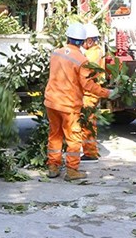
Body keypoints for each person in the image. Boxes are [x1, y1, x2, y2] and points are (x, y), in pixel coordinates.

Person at [43, 22, 112, 181]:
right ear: (82, 41)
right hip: (68, 105)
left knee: (55, 135)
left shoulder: (56, 53)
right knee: (73, 138)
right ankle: (72, 171)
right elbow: (88, 85)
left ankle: (53, 167)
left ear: (67, 37)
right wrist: (107, 93)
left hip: (51, 102)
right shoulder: (81, 60)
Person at [80, 23, 105, 163]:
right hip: (90, 91)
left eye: (82, 41)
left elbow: (84, 71)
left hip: (89, 92)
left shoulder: (92, 53)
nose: (81, 44)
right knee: (87, 122)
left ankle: (90, 153)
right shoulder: (95, 51)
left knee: (87, 122)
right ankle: (89, 151)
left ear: (89, 40)